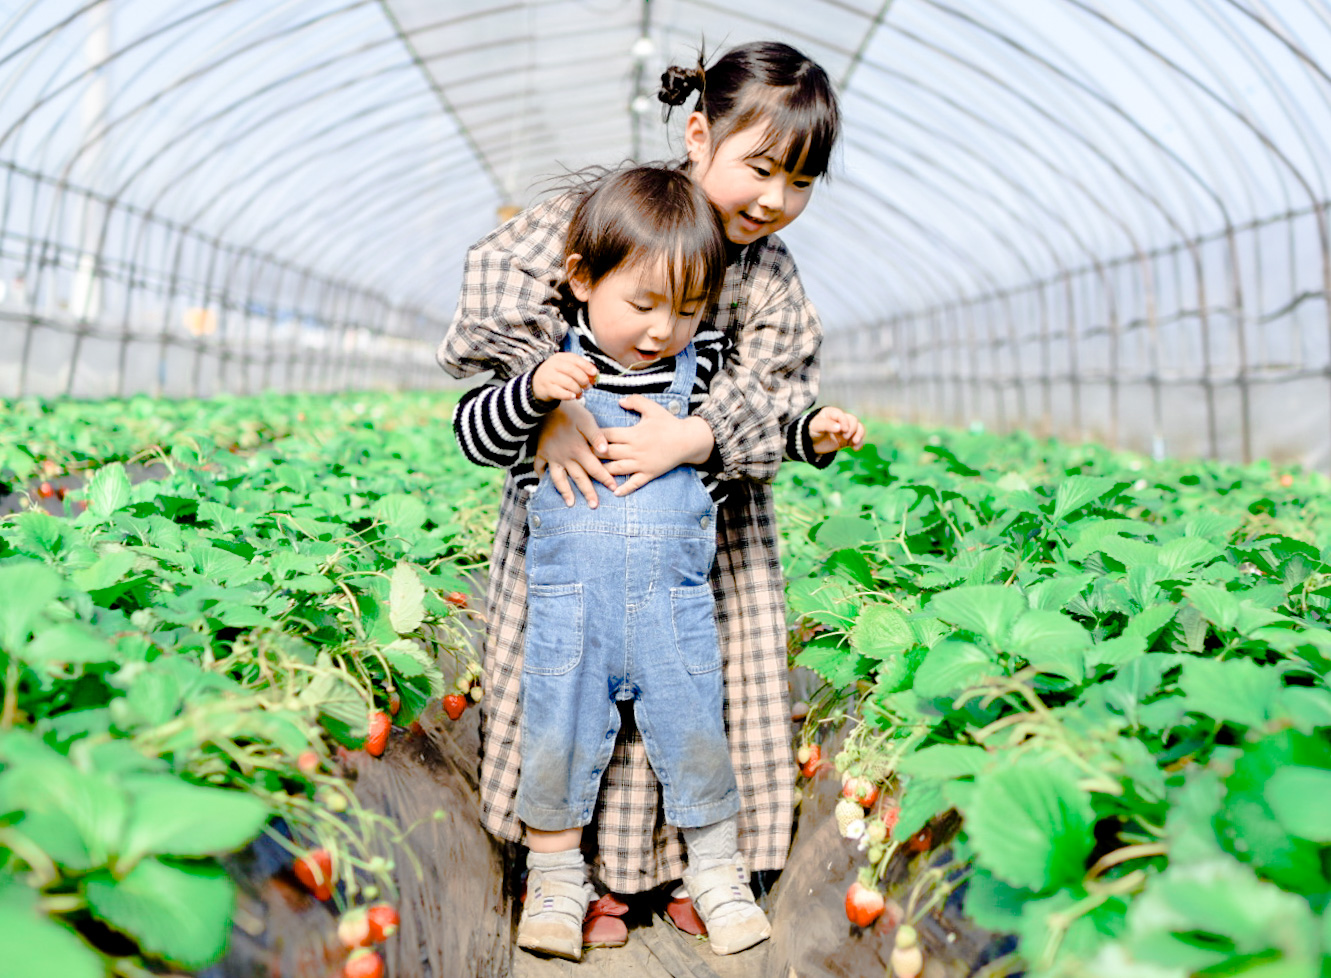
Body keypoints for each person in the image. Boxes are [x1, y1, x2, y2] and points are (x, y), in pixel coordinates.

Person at [439, 39, 846, 947]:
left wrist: (698, 434)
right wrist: (541, 399)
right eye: (760, 168)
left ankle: (694, 871)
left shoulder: (768, 275)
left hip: (707, 537)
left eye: (802, 181)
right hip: (573, 506)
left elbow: (779, 387)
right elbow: (496, 296)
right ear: (698, 135)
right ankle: (581, 878)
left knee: (705, 693)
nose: (776, 199)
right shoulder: (599, 216)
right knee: (568, 695)